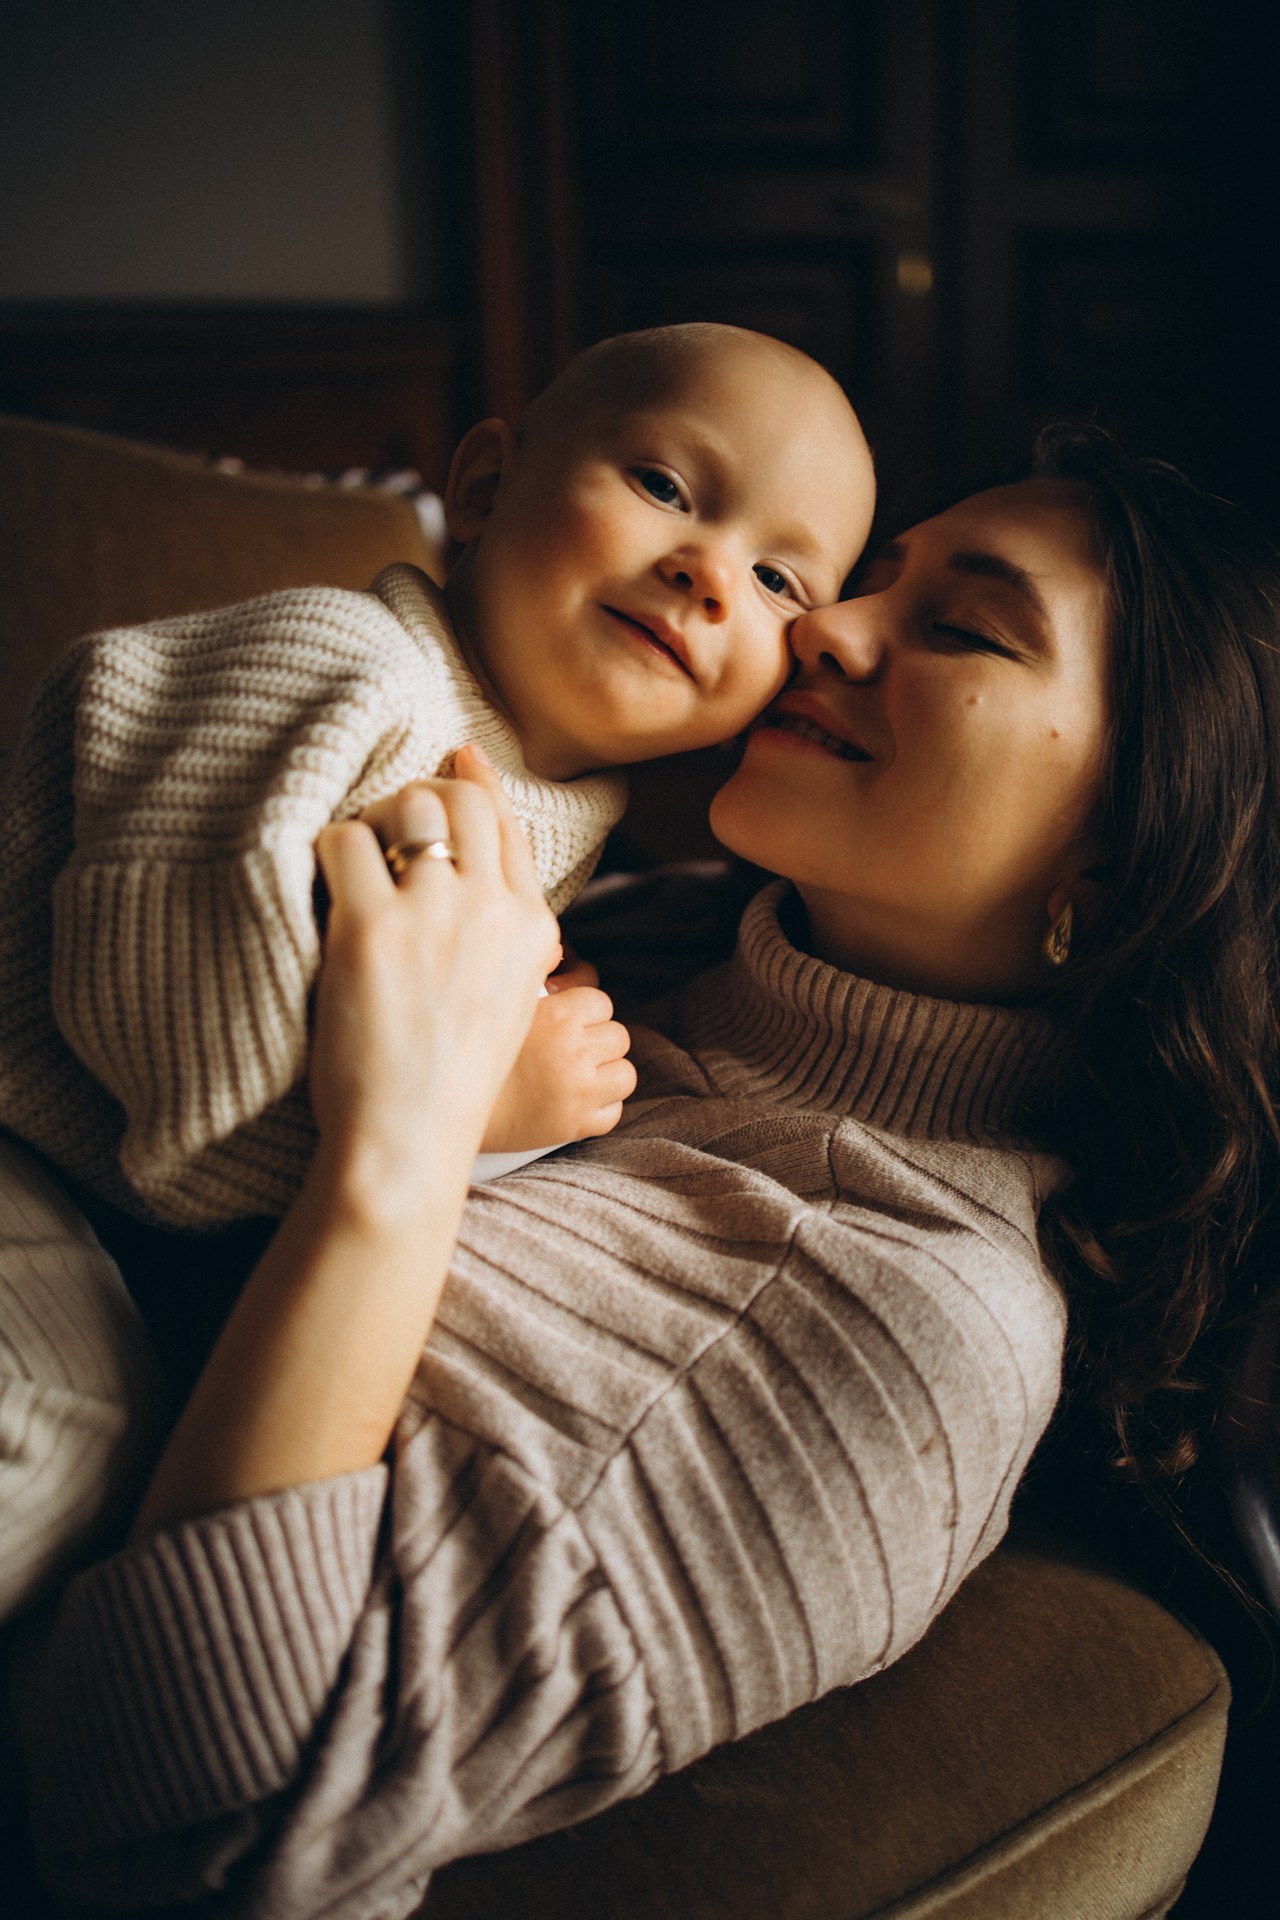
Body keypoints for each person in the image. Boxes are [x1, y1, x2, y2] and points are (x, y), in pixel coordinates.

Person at [16, 426, 1280, 1920]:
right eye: (871, 579)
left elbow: (183, 1824)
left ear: (1123, 865)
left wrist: (397, 1144)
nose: (824, 626)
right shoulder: (668, 928)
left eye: (963, 628)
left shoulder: (907, 1322)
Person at [0, 322, 874, 1233]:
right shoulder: (343, 675)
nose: (713, 579)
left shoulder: (559, 800)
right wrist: (473, 1112)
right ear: (487, 487)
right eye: (664, 486)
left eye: (778, 579)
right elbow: (180, 1118)